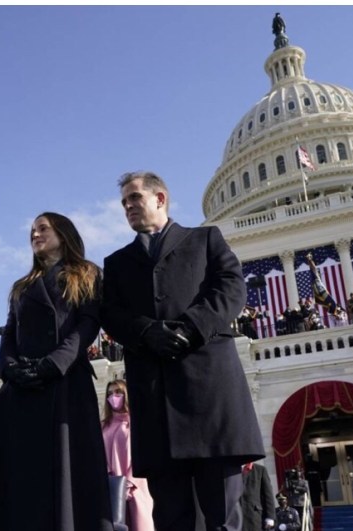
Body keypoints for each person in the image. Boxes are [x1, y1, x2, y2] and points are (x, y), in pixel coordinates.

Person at [101, 171, 264, 530]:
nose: (128, 207)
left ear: (160, 198)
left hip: (211, 396)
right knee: (171, 517)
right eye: (124, 202)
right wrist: (148, 331)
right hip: (155, 400)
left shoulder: (205, 239)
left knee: (223, 516)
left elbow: (231, 289)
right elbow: (110, 314)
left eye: (135, 198)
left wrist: (190, 328)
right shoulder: (116, 263)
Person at [0, 212, 112, 531]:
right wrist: (10, 368)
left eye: (43, 228)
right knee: (10, 478)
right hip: (20, 390)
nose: (35, 234)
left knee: (66, 477)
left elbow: (88, 325)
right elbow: (10, 333)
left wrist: (54, 364)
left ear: (64, 234)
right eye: (32, 230)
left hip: (65, 384)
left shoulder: (87, 274)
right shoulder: (22, 286)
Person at [101, 379, 155, 531]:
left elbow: (142, 452)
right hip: (111, 488)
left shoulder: (136, 423)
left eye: (118, 392)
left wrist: (129, 483)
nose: (113, 396)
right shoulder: (104, 426)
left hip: (135, 486)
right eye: (110, 393)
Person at [240, 461, 275, 531]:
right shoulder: (231, 470)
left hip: (255, 516)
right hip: (236, 516)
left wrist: (270, 517)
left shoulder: (260, 470)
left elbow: (268, 494)